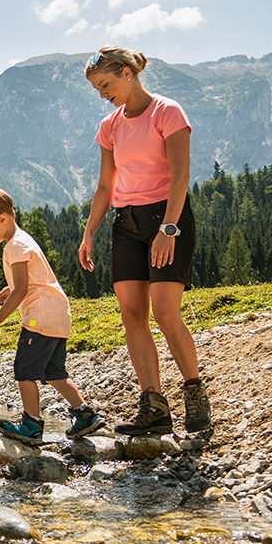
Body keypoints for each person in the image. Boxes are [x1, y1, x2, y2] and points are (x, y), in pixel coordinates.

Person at [78, 45, 212, 436]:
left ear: (126, 73)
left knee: (166, 312)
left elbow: (181, 175)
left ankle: (194, 393)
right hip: (126, 223)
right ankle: (153, 405)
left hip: (166, 217)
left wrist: (168, 228)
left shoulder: (167, 112)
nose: (103, 93)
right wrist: (89, 233)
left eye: (105, 84)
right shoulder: (110, 125)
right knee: (131, 314)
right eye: (97, 89)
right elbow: (106, 185)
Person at [0, 183, 105, 444]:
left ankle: (31, 424)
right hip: (58, 313)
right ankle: (84, 414)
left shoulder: (14, 246)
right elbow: (30, 280)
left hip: (39, 315)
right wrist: (12, 287)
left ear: (1, 219)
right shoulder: (23, 239)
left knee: (24, 369)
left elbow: (23, 290)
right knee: (54, 372)